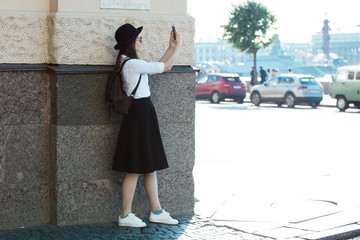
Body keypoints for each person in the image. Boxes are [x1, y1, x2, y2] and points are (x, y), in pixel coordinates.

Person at [111, 23, 181, 228]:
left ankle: (156, 211)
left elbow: (155, 67)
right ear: (131, 42)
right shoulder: (132, 63)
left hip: (142, 112)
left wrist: (170, 47)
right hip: (140, 113)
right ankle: (125, 215)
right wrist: (178, 47)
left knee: (149, 165)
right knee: (135, 167)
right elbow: (165, 67)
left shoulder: (129, 62)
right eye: (139, 38)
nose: (141, 41)